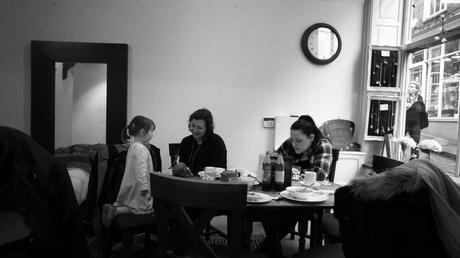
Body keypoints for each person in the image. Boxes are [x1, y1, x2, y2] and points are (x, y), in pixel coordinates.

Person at [258, 115, 333, 256]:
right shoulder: (291, 143)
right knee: (266, 208)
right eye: (292, 139)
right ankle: (273, 249)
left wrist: (293, 171)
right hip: (289, 194)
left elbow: (320, 175)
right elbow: (275, 159)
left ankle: (269, 248)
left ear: (311, 137)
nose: (294, 144)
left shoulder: (323, 144)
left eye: (298, 140)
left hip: (311, 198)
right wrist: (271, 158)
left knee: (288, 214)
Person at [101, 115, 156, 227]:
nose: (152, 135)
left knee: (132, 204)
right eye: (151, 131)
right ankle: (116, 211)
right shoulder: (141, 149)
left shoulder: (133, 146)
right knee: (145, 209)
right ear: (142, 132)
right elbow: (141, 170)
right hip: (139, 187)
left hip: (131, 185)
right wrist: (144, 188)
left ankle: (114, 208)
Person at [176, 108, 227, 175]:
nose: (194, 130)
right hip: (187, 182)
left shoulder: (216, 142)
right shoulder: (186, 141)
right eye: (193, 126)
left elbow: (217, 170)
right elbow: (182, 166)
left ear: (208, 129)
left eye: (199, 128)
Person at [405, 81, 428, 158]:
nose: (409, 88)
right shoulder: (405, 97)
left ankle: (414, 159)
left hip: (415, 124)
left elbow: (421, 110)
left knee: (415, 142)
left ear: (416, 89)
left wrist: (412, 106)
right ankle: (399, 157)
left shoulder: (419, 98)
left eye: (411, 87)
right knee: (402, 141)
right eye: (409, 86)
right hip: (405, 122)